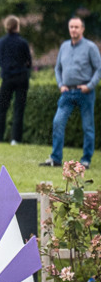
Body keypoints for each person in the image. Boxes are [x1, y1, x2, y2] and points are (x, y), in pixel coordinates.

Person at [41, 16, 101, 168]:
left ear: (82, 29)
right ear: (69, 29)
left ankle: (86, 160)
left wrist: (90, 85)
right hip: (67, 93)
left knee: (88, 127)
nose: (73, 29)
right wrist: (61, 84)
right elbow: (57, 68)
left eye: (76, 27)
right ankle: (55, 159)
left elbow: (98, 69)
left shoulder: (90, 47)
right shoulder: (64, 47)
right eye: (71, 27)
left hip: (85, 93)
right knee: (58, 122)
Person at [0, 15, 32, 145]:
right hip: (21, 77)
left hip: (7, 78)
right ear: (17, 26)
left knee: (1, 109)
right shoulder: (22, 42)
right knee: (18, 108)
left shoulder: (0, 43)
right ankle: (15, 139)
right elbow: (29, 61)